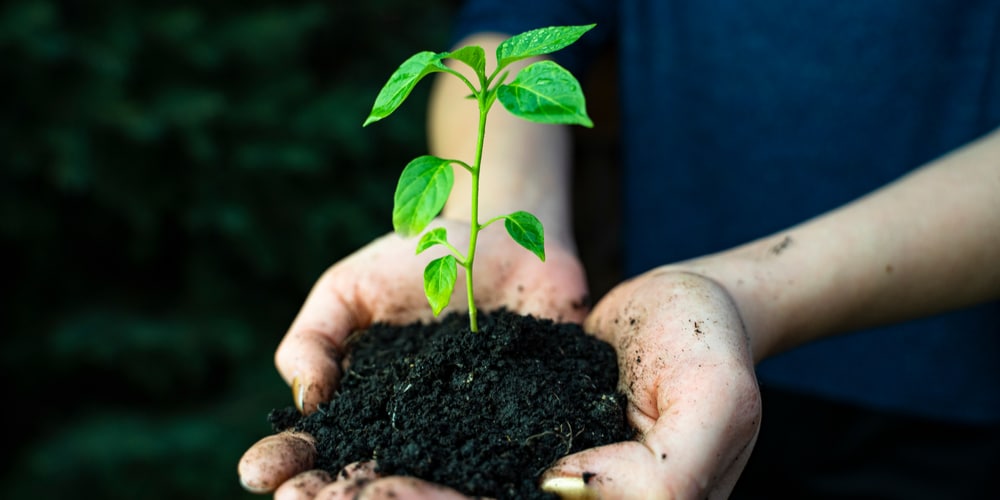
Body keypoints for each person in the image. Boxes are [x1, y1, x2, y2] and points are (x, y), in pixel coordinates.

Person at [238, 1, 1000, 498]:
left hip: (949, 411)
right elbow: (519, 13)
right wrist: (493, 215)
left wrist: (739, 295)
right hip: (649, 382)